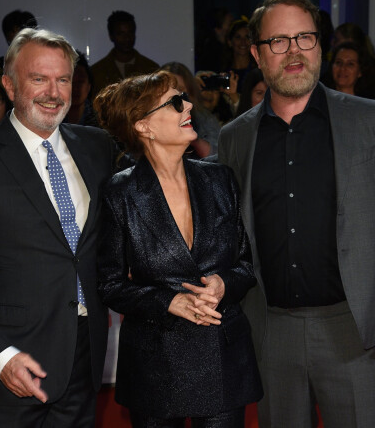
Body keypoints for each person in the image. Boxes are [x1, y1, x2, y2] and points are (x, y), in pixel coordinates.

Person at [218, 0, 375, 428]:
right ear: (257, 55)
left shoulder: (370, 119)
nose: (295, 51)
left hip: (355, 328)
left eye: (305, 37)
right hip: (270, 331)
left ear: (320, 45)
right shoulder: (235, 138)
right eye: (279, 41)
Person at [0, 28, 119, 428]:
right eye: (39, 78)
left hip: (85, 354)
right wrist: (0, 357)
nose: (53, 92)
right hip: (13, 360)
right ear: (9, 84)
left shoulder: (97, 147)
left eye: (63, 79)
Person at [94, 70, 262, 427]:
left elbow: (247, 265)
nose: (188, 105)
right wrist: (168, 301)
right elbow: (109, 285)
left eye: (183, 97)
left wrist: (223, 284)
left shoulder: (219, 179)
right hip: (157, 365)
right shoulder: (120, 194)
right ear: (144, 127)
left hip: (222, 356)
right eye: (174, 102)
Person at [90, 10, 159, 97]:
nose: (127, 38)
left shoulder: (151, 69)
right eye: (120, 34)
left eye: (130, 32)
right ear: (111, 36)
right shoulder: (97, 73)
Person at [160, 61, 222, 157]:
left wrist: (193, 138)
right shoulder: (153, 117)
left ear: (189, 91)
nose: (174, 96)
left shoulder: (203, 118)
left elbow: (219, 154)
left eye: (180, 90)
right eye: (169, 90)